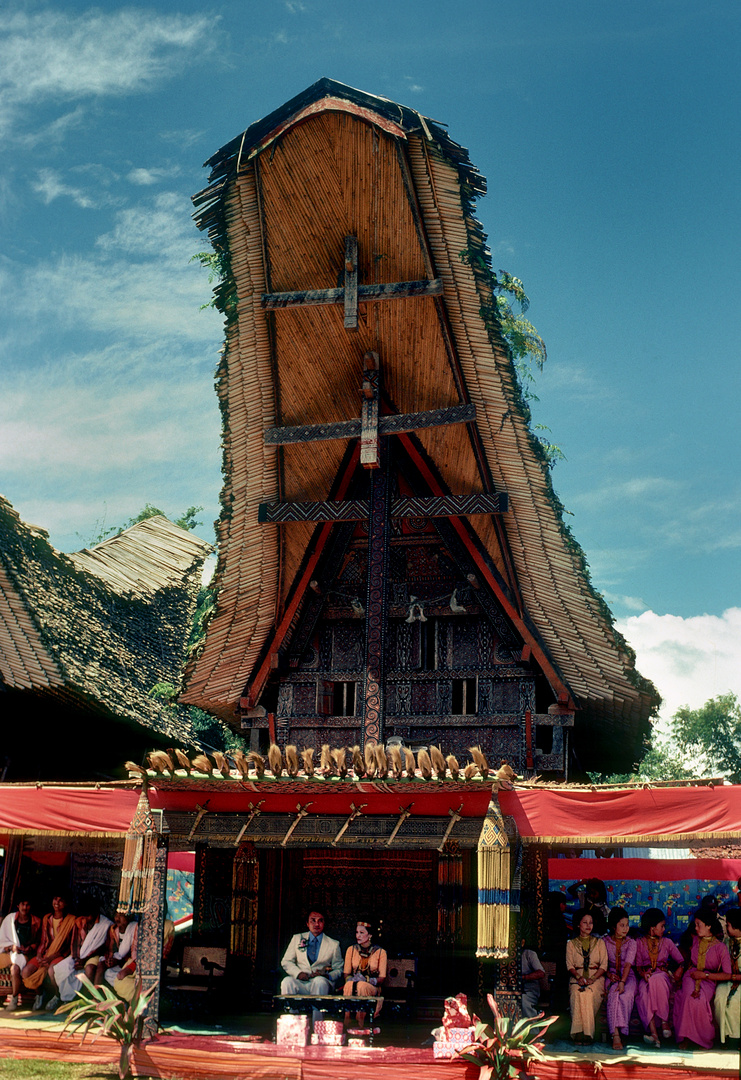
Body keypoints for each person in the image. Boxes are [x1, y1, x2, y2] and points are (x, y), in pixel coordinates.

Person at [673, 909, 731, 1050]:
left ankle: (702, 1040)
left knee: (700, 1001)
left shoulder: (720, 948)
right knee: (687, 997)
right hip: (691, 975)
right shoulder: (694, 940)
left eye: (699, 925)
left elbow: (727, 974)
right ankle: (685, 1037)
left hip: (709, 979)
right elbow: (684, 956)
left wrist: (705, 976)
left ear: (709, 926)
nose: (696, 928)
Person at [635, 907, 684, 1047]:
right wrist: (643, 974)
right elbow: (638, 967)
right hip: (646, 978)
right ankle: (654, 1034)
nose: (663, 929)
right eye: (661, 926)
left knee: (656, 979)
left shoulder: (667, 942)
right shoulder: (639, 943)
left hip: (662, 977)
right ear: (652, 928)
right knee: (643, 993)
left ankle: (664, 1022)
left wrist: (680, 969)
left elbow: (681, 961)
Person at [22, 894, 77, 1010]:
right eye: (55, 899)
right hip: (45, 953)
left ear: (66, 904)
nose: (57, 902)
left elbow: (67, 946)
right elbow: (43, 941)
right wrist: (39, 955)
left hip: (59, 955)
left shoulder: (71, 920)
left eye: (61, 900)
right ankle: (40, 994)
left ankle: (57, 996)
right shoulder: (47, 918)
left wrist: (50, 958)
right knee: (26, 972)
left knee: (52, 971)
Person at [565, 911, 608, 1044]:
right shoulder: (571, 944)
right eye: (585, 922)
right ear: (578, 925)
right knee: (577, 993)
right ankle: (578, 1032)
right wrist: (578, 977)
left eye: (591, 923)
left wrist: (592, 979)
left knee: (588, 994)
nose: (588, 925)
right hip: (576, 978)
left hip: (596, 978)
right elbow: (570, 965)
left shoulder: (599, 943)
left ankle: (588, 1033)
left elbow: (604, 965)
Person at [280, 910, 343, 998]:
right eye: (313, 920)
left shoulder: (334, 944)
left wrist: (326, 975)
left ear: (324, 923)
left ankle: (317, 1011)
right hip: (300, 982)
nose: (316, 924)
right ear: (307, 923)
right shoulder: (297, 938)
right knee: (287, 981)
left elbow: (339, 969)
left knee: (319, 981)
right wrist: (298, 973)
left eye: (320, 920)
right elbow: (286, 961)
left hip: (321, 983)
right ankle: (291, 1011)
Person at [343, 920, 388, 1029]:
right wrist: (351, 979)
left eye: (362, 933)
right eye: (357, 932)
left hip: (371, 987)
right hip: (353, 984)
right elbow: (346, 974)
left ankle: (360, 1024)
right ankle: (348, 1022)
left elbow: (382, 978)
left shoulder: (381, 952)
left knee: (361, 986)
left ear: (370, 935)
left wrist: (366, 980)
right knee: (348, 986)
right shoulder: (351, 950)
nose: (358, 935)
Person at [604, 906, 636, 1051]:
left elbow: (628, 964)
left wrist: (622, 982)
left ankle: (623, 1032)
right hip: (610, 975)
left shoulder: (631, 943)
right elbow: (601, 963)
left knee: (625, 996)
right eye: (621, 925)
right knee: (613, 994)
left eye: (627, 925)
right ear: (613, 926)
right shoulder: (604, 942)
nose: (625, 929)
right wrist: (609, 975)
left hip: (627, 977)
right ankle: (615, 1034)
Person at [0, 897, 41, 1011]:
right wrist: (11, 947)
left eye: (27, 905)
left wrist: (30, 947)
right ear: (18, 905)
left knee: (15, 969)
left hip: (26, 955)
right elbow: (2, 941)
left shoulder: (36, 921)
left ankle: (14, 998)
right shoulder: (10, 919)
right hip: (11, 953)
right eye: (22, 904)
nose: (25, 907)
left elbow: (39, 942)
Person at [714, 907, 741, 1044]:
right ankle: (725, 1037)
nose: (726, 928)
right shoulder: (727, 942)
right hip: (727, 980)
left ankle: (737, 1038)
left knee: (735, 1001)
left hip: (739, 981)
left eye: (728, 925)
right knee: (720, 998)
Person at [97, 913, 138, 988]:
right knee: (102, 966)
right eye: (116, 915)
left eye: (121, 916)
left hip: (128, 962)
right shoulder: (114, 929)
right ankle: (95, 996)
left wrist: (118, 961)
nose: (117, 919)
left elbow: (134, 955)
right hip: (118, 960)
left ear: (128, 917)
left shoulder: (135, 928)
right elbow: (110, 950)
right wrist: (109, 960)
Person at [521, 939, 549, 1018]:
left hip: (529, 990)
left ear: (522, 942)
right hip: (512, 990)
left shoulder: (529, 954)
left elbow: (541, 973)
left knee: (524, 1001)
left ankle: (532, 1029)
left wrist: (523, 977)